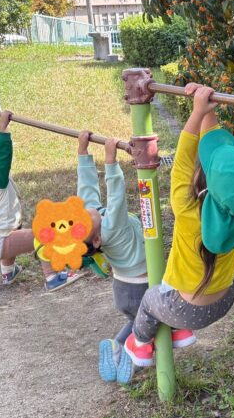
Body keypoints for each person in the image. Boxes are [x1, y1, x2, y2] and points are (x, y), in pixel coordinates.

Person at [123, 84, 234, 367]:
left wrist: (197, 112)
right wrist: (206, 107)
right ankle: (178, 331)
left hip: (185, 310)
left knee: (150, 299)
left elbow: (184, 158)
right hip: (224, 301)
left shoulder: (186, 208)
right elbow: (212, 145)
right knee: (180, 286)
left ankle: (139, 345)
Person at [77, 132, 196, 384]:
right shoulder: (112, 228)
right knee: (152, 321)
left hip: (122, 288)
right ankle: (134, 357)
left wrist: (83, 152)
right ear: (96, 240)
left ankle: (117, 346)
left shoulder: (93, 217)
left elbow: (86, 189)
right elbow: (116, 194)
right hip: (141, 287)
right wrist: (110, 160)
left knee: (137, 321)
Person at [0, 108, 80, 290]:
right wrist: (3, 128)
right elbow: (5, 153)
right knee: (44, 232)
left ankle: (8, 272)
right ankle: (52, 277)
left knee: (14, 227)